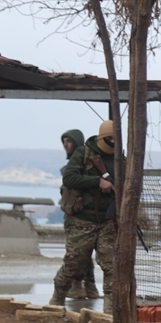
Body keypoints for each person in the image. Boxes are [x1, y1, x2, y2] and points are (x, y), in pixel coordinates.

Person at [50, 120, 117, 313]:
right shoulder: (84, 153)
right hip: (82, 219)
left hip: (107, 220)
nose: (113, 142)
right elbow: (69, 178)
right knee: (74, 263)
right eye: (110, 138)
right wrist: (97, 181)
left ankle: (110, 311)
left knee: (112, 266)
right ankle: (57, 300)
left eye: (116, 138)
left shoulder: (119, 158)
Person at [58, 130, 100, 301]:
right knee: (84, 254)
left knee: (76, 254)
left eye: (69, 141)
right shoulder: (77, 164)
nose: (65, 145)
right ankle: (89, 286)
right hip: (77, 213)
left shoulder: (82, 165)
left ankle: (77, 286)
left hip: (80, 216)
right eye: (64, 141)